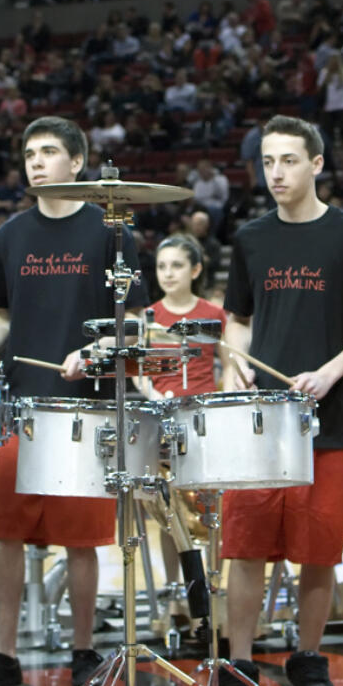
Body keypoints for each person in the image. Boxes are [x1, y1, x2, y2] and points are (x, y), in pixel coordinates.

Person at [217, 115, 343, 686]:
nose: (276, 173)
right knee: (244, 546)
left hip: (331, 413)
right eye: (268, 162)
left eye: (288, 160)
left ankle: (308, 653)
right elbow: (237, 320)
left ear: (317, 164)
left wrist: (331, 372)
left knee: (318, 549)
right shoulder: (250, 239)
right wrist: (234, 365)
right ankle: (238, 661)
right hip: (259, 419)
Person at [0, 116, 145, 686]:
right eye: (29, 153)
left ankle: (83, 652)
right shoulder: (10, 236)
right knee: (7, 536)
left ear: (77, 162)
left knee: (82, 541)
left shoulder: (112, 234)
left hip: (87, 409)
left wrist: (94, 349)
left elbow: (136, 323)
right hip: (22, 406)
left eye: (49, 152)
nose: (36, 162)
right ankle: (4, 657)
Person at [137, 234, 230, 589]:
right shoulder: (149, 317)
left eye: (176, 266)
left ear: (196, 269)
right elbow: (140, 374)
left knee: (211, 508)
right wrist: (154, 395)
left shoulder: (213, 314)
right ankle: (175, 588)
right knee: (167, 508)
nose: (168, 273)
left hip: (204, 420)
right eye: (162, 266)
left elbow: (228, 366)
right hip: (162, 420)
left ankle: (214, 585)